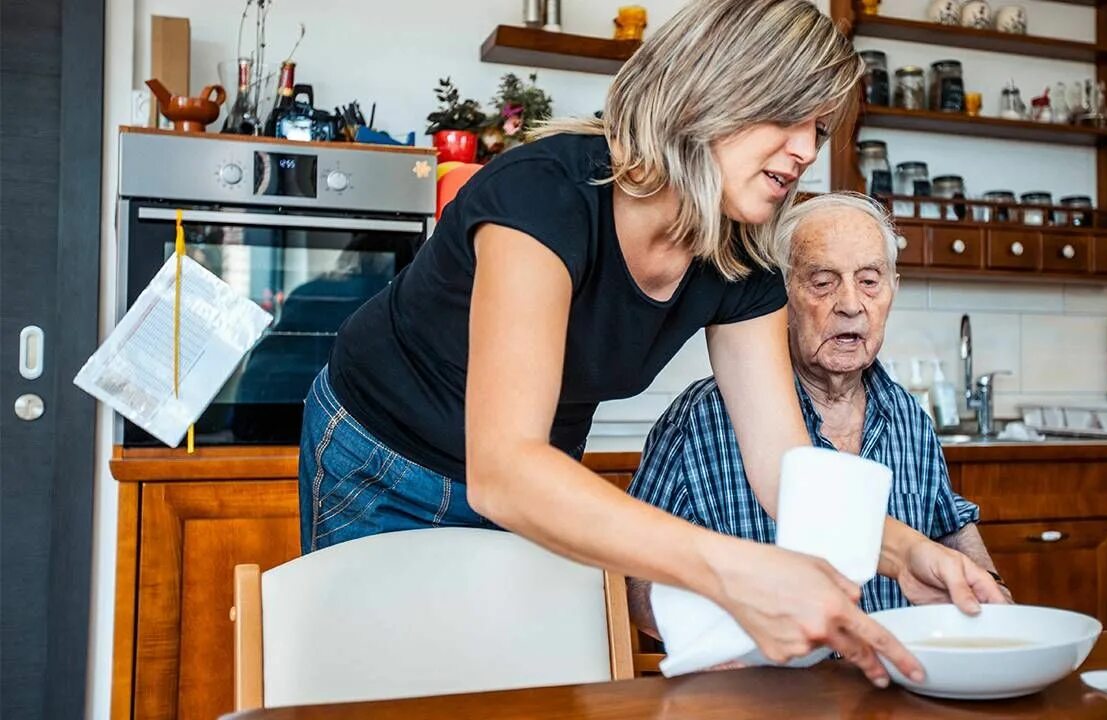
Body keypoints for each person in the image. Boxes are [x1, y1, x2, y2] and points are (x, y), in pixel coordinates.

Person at [298, 0, 1002, 687]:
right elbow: (504, 470)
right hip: (382, 458)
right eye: (788, 115)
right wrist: (733, 572)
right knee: (385, 691)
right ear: (712, 90)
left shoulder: (740, 259)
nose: (805, 150)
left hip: (542, 481)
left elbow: (786, 473)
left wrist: (908, 552)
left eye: (818, 128)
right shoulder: (542, 197)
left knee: (509, 692)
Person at [627, 193, 1012, 638]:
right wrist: (725, 634)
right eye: (823, 282)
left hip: (895, 680)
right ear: (780, 296)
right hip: (764, 689)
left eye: (869, 281)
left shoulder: (908, 415)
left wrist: (992, 592)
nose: (851, 304)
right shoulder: (699, 420)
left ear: (893, 290)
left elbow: (948, 526)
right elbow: (637, 581)